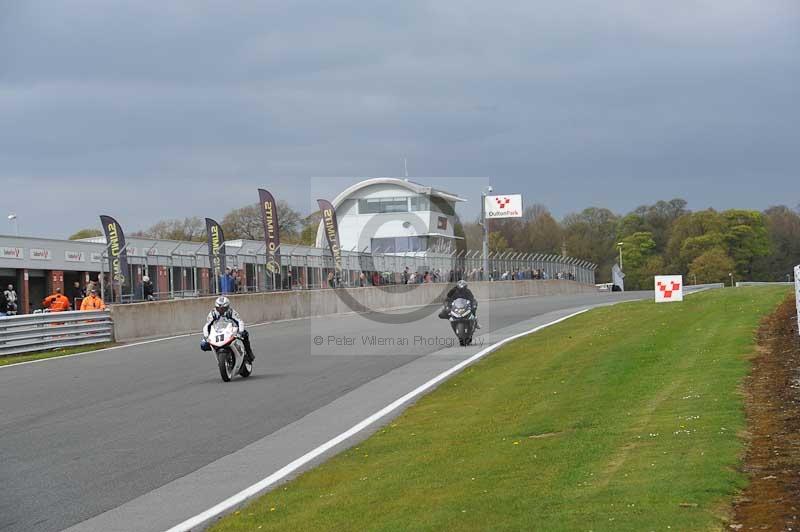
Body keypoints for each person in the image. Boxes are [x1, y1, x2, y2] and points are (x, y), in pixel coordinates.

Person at [200, 296, 254, 362]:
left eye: (223, 308)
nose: (221, 310)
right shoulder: (212, 313)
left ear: (227, 307)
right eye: (219, 308)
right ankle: (218, 352)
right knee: (203, 345)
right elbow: (206, 326)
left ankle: (249, 353)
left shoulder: (231, 312)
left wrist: (241, 332)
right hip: (217, 332)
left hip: (231, 330)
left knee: (245, 334)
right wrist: (206, 336)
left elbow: (240, 321)